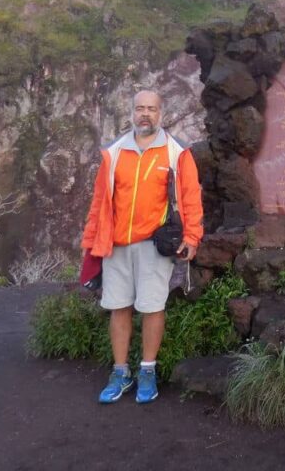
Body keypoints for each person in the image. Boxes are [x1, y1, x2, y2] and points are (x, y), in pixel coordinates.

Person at [80, 90, 203, 404]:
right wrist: (92, 239)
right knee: (118, 306)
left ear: (161, 112)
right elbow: (99, 201)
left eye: (151, 108)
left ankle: (147, 370)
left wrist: (192, 236)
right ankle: (120, 371)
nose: (145, 114)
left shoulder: (176, 152)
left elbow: (190, 196)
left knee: (152, 307)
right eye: (139, 108)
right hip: (116, 243)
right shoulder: (115, 152)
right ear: (131, 112)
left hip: (153, 243)